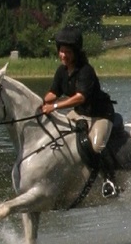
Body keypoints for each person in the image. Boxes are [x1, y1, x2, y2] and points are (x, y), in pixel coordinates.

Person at [40, 27, 121, 197]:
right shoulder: (61, 71)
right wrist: (39, 103)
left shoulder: (86, 71)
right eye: (61, 51)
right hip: (80, 113)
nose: (63, 55)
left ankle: (110, 181)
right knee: (59, 135)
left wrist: (54, 107)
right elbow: (53, 93)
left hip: (100, 114)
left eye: (67, 52)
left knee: (96, 145)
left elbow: (80, 97)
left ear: (76, 52)